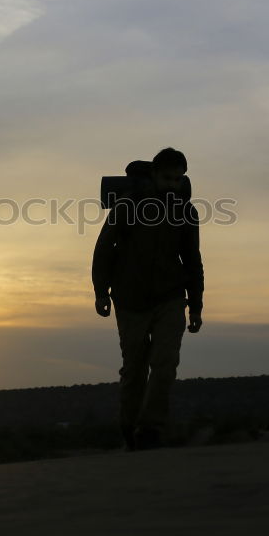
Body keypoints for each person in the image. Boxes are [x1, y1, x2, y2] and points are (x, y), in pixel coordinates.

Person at [92, 147, 204, 451]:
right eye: (168, 178)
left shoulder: (185, 211)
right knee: (135, 369)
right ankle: (130, 428)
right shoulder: (128, 206)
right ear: (155, 174)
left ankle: (151, 429)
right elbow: (104, 248)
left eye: (179, 179)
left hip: (170, 297)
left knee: (165, 365)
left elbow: (192, 259)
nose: (173, 184)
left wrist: (195, 305)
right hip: (130, 300)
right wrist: (101, 292)